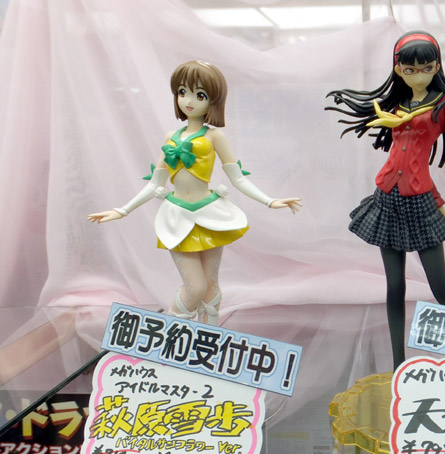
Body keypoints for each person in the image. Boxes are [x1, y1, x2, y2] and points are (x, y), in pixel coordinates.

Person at [326, 31, 445, 369]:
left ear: (437, 66)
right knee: (394, 285)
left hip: (419, 198)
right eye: (410, 69)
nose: (418, 75)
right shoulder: (397, 103)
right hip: (386, 196)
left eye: (425, 68)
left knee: (440, 285)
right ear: (399, 69)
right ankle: (398, 364)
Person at [89, 60, 301, 325]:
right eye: (182, 92)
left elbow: (237, 178)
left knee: (211, 288)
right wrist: (122, 210)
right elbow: (155, 183)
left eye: (200, 95)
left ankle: (208, 337)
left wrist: (270, 201)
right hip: (177, 216)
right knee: (195, 287)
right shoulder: (171, 137)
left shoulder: (215, 136)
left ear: (213, 100)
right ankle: (171, 333)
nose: (189, 101)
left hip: (209, 214)